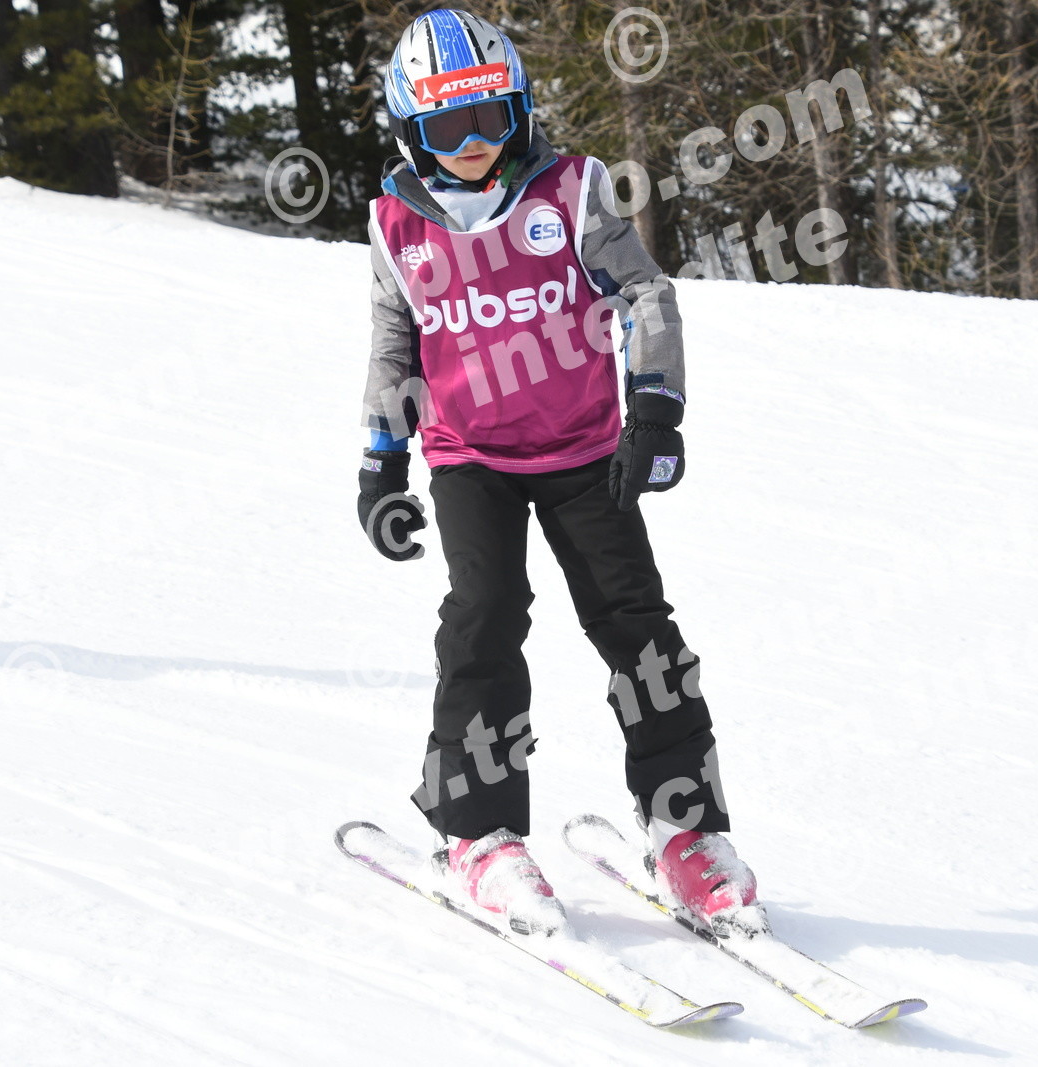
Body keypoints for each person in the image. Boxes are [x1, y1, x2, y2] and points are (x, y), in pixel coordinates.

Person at [356, 8, 763, 940]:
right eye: (447, 127)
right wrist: (382, 462)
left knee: (638, 626)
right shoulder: (395, 225)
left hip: (583, 448)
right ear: (412, 131)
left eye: (489, 118)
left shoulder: (572, 192)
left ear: (520, 109)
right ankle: (478, 832)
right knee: (485, 617)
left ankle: (686, 828)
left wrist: (655, 409)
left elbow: (645, 294)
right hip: (469, 456)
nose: (472, 142)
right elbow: (394, 346)